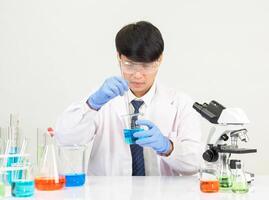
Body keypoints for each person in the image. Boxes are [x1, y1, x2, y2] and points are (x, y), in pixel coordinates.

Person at [55, 21, 202, 176]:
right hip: (108, 194)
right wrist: (92, 105)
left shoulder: (180, 103)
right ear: (119, 56)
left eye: (146, 66)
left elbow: (196, 163)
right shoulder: (102, 99)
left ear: (159, 60)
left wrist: (168, 147)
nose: (137, 75)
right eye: (129, 64)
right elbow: (66, 139)